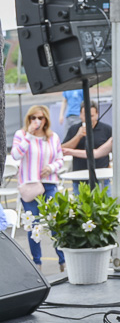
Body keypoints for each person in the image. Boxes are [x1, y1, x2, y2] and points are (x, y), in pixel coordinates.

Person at [10, 105, 66, 272]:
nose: (36, 121)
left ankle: (63, 261)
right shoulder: (21, 135)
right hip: (30, 185)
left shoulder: (53, 137)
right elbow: (16, 155)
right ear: (28, 119)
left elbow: (60, 159)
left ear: (46, 120)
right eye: (33, 118)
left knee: (55, 222)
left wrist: (51, 167)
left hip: (49, 183)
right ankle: (37, 264)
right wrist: (29, 135)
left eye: (40, 118)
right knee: (33, 225)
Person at [61, 101, 112, 194]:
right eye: (85, 116)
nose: (88, 119)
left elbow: (114, 149)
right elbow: (63, 149)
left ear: (97, 114)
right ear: (80, 115)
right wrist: (78, 136)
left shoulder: (106, 129)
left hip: (101, 178)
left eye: (91, 116)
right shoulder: (74, 129)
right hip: (79, 179)